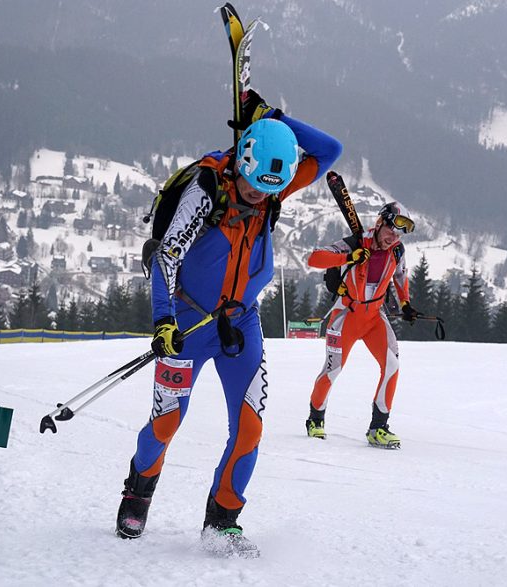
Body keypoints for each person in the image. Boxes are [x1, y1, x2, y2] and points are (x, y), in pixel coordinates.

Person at [116, 91, 342, 557]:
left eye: (268, 190)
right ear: (243, 160)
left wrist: (276, 119)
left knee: (250, 428)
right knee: (166, 424)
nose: (260, 196)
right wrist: (162, 322)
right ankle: (139, 489)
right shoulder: (205, 190)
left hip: (241, 325)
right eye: (255, 186)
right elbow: (168, 256)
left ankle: (223, 520)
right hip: (187, 324)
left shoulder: (270, 180)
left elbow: (329, 151)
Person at [305, 203, 420, 449]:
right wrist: (349, 257)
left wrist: (406, 303)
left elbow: (400, 276)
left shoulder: (397, 250)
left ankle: (378, 427)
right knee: (333, 369)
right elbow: (314, 259)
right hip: (347, 314)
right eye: (391, 231)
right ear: (379, 224)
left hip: (375, 316)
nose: (393, 238)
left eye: (398, 235)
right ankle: (315, 418)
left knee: (392, 365)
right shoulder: (355, 242)